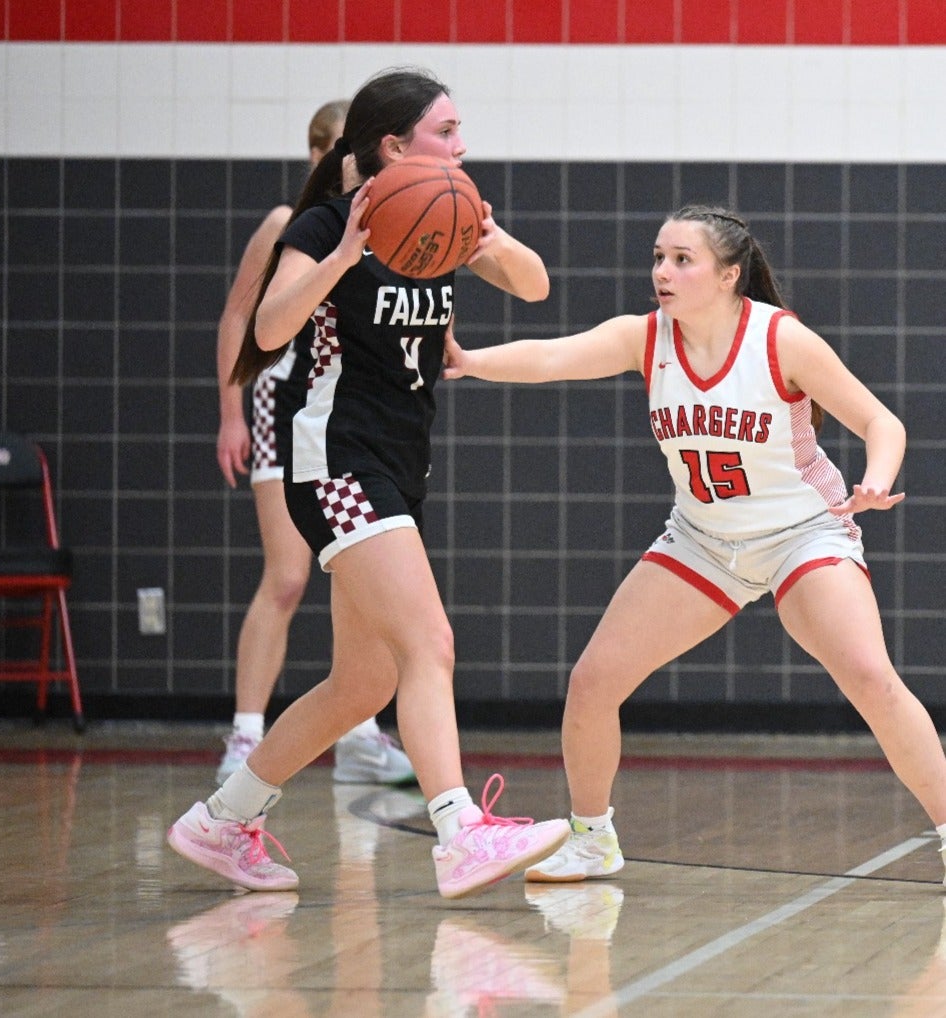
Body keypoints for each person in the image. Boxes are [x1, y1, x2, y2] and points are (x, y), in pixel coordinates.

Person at [442, 203, 946, 884]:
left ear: (729, 274)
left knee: (869, 678)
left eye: (682, 259)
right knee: (592, 683)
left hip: (802, 534)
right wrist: (468, 361)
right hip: (703, 541)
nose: (663, 271)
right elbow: (552, 357)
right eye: (658, 256)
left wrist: (876, 480)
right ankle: (593, 839)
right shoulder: (645, 337)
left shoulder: (780, 340)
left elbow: (880, 422)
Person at [168, 66, 570, 899]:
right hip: (335, 462)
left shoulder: (448, 215)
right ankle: (460, 830)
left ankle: (222, 819)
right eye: (447, 132)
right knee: (430, 645)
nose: (462, 146)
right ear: (394, 145)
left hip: (398, 463)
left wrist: (487, 236)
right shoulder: (321, 224)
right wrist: (349, 248)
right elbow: (270, 327)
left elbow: (535, 284)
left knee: (364, 682)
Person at [214, 98, 414, 788]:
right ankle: (245, 735)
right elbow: (241, 315)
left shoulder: (390, 221)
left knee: (351, 577)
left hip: (343, 411)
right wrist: (230, 411)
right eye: (335, 146)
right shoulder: (290, 225)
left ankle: (357, 733)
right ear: (321, 154)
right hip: (282, 398)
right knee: (289, 574)